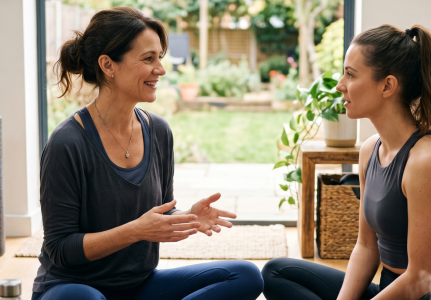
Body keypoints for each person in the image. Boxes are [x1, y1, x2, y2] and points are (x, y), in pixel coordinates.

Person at [32, 7, 263, 300]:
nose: (161, 70)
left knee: (245, 275)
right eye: (148, 59)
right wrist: (136, 231)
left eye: (159, 58)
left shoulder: (158, 131)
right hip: (73, 288)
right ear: (108, 65)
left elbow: (161, 211)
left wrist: (187, 217)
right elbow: (60, 249)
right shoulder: (67, 143)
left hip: (139, 286)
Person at [261, 24, 431, 300]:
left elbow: (421, 279)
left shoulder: (426, 161)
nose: (340, 85)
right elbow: (367, 247)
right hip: (390, 288)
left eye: (350, 74)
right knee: (276, 272)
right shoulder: (370, 150)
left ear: (387, 85)